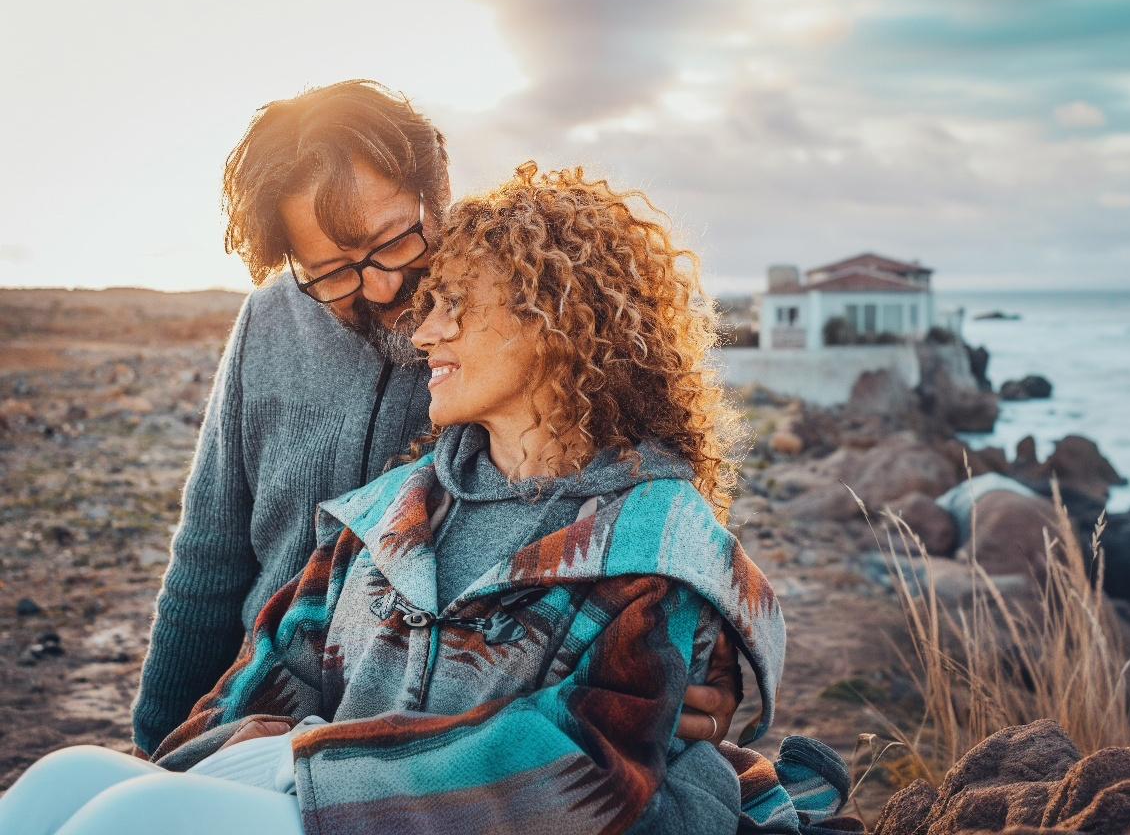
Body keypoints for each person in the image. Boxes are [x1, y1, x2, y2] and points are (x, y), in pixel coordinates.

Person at [0, 164, 851, 835]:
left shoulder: (650, 543)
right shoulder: (393, 513)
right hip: (324, 808)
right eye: (425, 303)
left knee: (139, 818)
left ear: (555, 322)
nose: (420, 328)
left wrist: (304, 770)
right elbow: (259, 679)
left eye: (455, 306)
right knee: (67, 777)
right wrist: (204, 759)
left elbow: (585, 769)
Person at [130, 80, 739, 759]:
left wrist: (686, 642)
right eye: (331, 272)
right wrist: (155, 748)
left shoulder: (510, 323)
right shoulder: (268, 323)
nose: (382, 288)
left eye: (393, 242)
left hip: (442, 748)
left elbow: (633, 477)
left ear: (438, 186)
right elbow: (209, 558)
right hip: (268, 708)